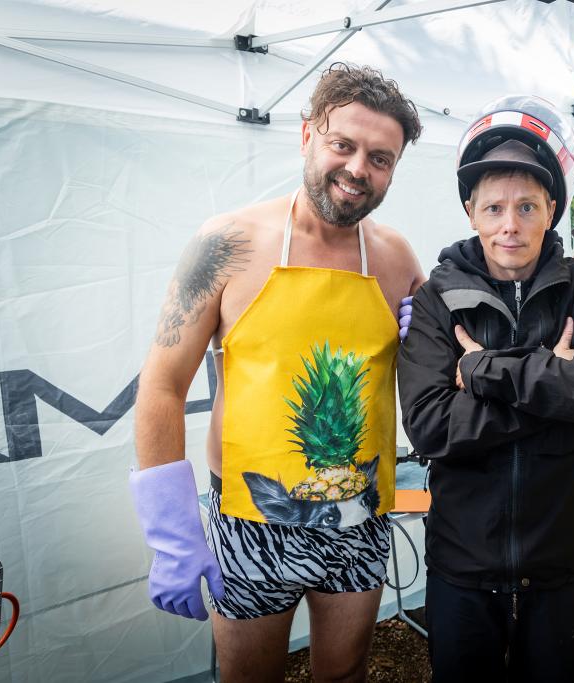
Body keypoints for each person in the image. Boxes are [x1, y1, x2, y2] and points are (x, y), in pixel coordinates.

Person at [129, 62, 425, 682]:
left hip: (361, 517)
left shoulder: (396, 256)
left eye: (381, 158)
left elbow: (435, 376)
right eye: (343, 144)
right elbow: (161, 385)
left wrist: (434, 337)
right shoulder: (227, 243)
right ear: (307, 134)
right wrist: (171, 529)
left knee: (343, 675)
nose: (358, 169)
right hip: (247, 520)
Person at [397, 95, 574, 683]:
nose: (510, 225)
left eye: (527, 207)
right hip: (462, 566)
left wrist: (488, 372)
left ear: (552, 210)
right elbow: (429, 426)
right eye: (494, 208)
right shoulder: (436, 299)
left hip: (561, 567)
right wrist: (555, 386)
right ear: (471, 212)